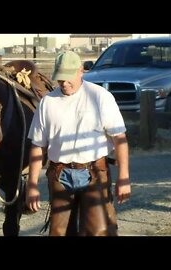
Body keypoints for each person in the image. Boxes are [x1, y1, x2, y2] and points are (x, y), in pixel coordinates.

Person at [25, 51, 131, 236]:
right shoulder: (47, 103)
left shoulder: (100, 97)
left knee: (98, 230)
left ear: (81, 71)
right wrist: (32, 184)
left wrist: (123, 177)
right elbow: (38, 145)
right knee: (59, 231)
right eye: (60, 79)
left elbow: (119, 139)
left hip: (94, 172)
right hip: (60, 174)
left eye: (68, 78)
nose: (64, 83)